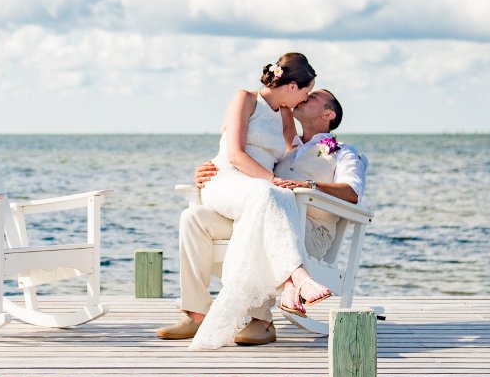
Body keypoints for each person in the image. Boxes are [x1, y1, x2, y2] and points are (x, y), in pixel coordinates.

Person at [155, 88, 365, 346]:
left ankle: (261, 320)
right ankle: (196, 314)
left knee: (263, 219)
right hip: (260, 218)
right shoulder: (285, 149)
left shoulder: (343, 152)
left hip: (309, 230)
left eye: (313, 97)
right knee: (194, 217)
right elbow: (249, 172)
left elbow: (353, 192)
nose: (304, 97)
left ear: (328, 114)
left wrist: (311, 186)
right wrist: (209, 172)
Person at [167, 53, 329, 350]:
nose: (305, 99)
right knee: (270, 196)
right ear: (292, 86)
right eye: (306, 92)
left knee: (193, 219)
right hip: (226, 181)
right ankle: (294, 280)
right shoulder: (246, 99)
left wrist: (330, 155)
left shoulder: (285, 117)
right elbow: (235, 154)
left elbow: (297, 157)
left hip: (254, 195)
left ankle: (256, 319)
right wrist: (271, 181)